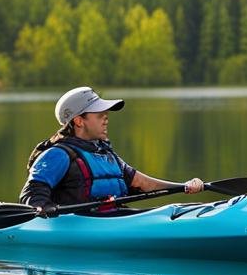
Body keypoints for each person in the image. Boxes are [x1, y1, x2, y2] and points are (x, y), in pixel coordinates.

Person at [20, 86, 204, 218]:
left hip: (113, 219)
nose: (106, 119)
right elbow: (31, 194)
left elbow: (143, 183)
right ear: (78, 121)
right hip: (77, 225)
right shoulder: (58, 154)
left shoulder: (104, 153)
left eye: (106, 115)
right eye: (100, 115)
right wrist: (42, 208)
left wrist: (184, 187)